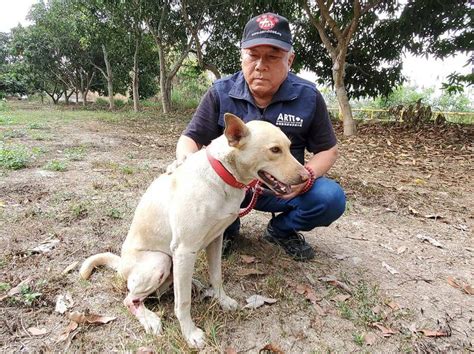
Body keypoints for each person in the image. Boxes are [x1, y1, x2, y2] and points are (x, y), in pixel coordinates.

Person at [173, 13, 346, 261]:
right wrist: (188, 166)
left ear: (290, 59)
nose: (260, 65)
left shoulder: (308, 97)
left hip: (282, 188)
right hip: (230, 188)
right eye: (253, 55)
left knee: (330, 198)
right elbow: (190, 139)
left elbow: (328, 150)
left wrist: (304, 179)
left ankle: (280, 231)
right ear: (242, 56)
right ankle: (225, 231)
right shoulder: (221, 92)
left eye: (273, 56)